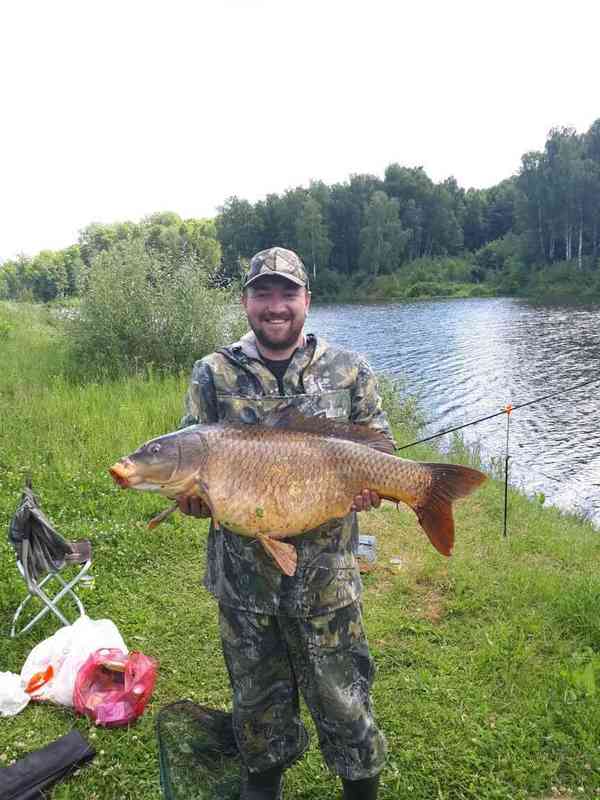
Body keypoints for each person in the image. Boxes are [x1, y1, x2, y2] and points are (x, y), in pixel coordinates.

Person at [178, 247, 392, 800]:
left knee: (344, 698)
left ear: (307, 300)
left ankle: (360, 786)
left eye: (287, 293)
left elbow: (381, 445)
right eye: (263, 293)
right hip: (244, 583)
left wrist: (374, 486)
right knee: (256, 702)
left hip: (328, 579)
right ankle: (262, 782)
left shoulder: (349, 370)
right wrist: (193, 497)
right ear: (246, 300)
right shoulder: (214, 372)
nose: (276, 306)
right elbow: (189, 453)